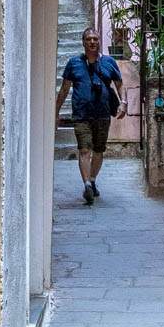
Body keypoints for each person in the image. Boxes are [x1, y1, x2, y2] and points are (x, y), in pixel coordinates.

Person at [56, 27, 126, 204]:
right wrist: (56, 112)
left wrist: (123, 103)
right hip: (82, 115)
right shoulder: (73, 64)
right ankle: (86, 184)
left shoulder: (109, 62)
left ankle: (92, 180)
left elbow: (119, 84)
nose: (92, 42)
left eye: (95, 39)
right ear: (83, 42)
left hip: (102, 114)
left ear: (99, 41)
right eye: (88, 39)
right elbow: (64, 89)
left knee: (99, 150)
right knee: (84, 149)